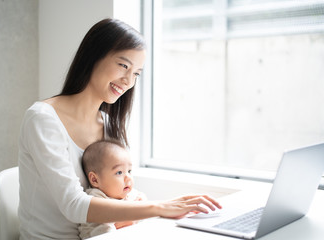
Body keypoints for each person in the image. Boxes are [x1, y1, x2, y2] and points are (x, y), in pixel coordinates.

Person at [18, 18, 221, 240]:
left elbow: (113, 197)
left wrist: (149, 207)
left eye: (136, 73)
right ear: (93, 57)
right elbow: (74, 205)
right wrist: (160, 207)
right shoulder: (43, 119)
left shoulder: (107, 123)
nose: (128, 81)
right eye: (123, 65)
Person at [79, 139, 144, 239]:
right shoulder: (95, 200)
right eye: (119, 172)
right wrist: (121, 223)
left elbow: (143, 204)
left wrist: (142, 203)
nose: (128, 177)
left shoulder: (127, 193)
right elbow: (102, 233)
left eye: (129, 171)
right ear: (95, 180)